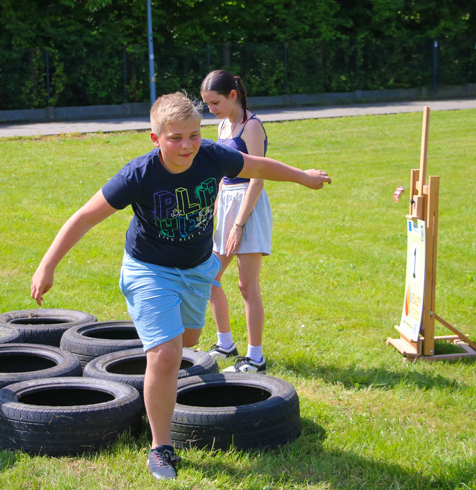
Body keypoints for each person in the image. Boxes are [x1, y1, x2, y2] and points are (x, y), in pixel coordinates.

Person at [30, 92, 330, 480]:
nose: (187, 145)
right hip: (149, 269)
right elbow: (85, 217)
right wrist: (47, 265)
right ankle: (161, 447)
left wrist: (303, 176)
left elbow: (259, 165)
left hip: (197, 268)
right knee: (167, 355)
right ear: (155, 138)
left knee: (188, 341)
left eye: (193, 135)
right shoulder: (138, 175)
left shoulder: (211, 155)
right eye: (175, 138)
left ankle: (164, 362)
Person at [200, 70, 272, 373]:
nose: (211, 110)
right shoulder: (222, 126)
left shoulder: (252, 126)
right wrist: (215, 210)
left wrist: (238, 224)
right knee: (209, 277)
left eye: (215, 102)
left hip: (249, 207)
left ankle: (256, 358)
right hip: (227, 201)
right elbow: (220, 173)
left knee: (246, 286)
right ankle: (225, 345)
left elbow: (258, 178)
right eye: (207, 104)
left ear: (233, 95)